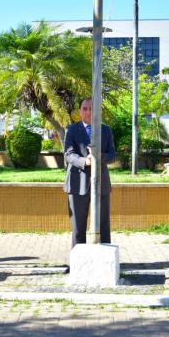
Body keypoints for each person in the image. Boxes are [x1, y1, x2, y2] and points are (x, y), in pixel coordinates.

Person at [64, 98, 116, 248]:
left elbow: (112, 155)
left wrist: (98, 158)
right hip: (77, 184)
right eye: (85, 109)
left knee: (103, 225)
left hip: (101, 184)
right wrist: (84, 161)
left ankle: (106, 261)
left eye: (91, 109)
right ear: (79, 111)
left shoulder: (106, 130)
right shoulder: (72, 130)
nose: (88, 112)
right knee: (78, 227)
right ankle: (77, 261)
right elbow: (68, 154)